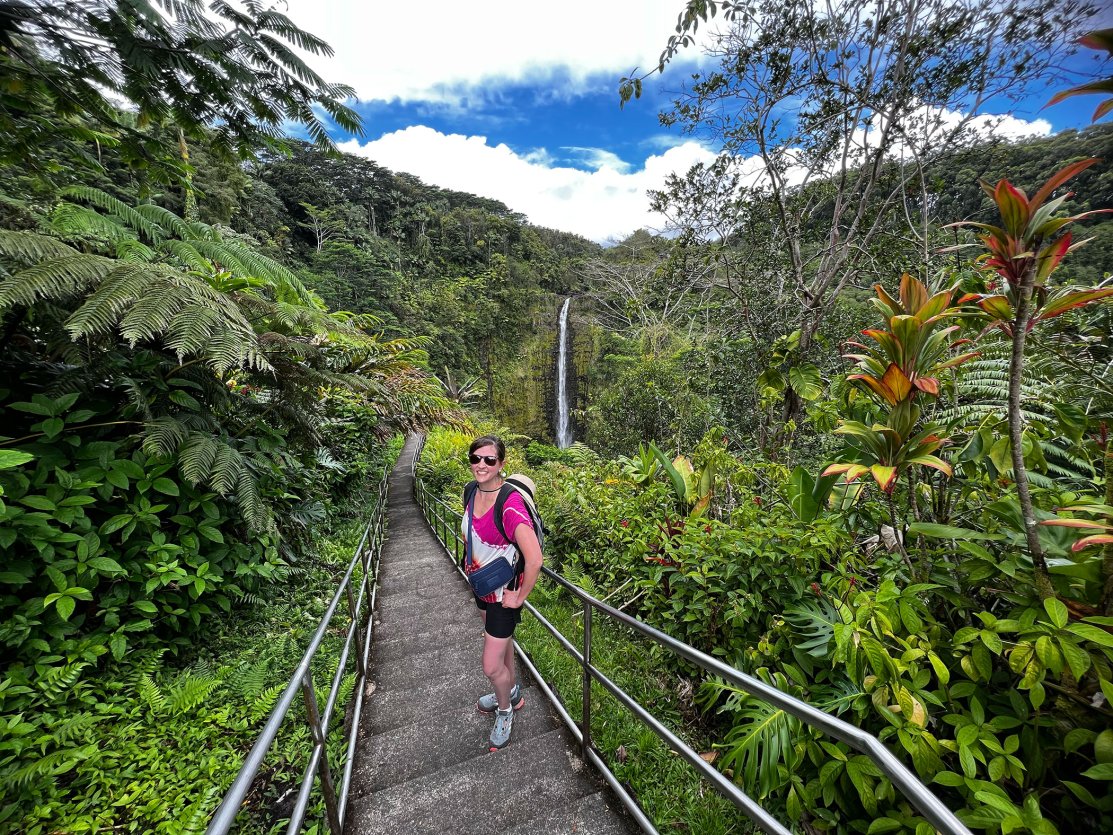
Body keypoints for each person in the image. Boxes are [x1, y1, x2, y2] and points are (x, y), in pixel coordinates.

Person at [462, 435, 543, 750]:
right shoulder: (470, 491)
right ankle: (509, 692)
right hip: (482, 585)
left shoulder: (509, 505)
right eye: (476, 458)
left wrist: (519, 597)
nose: (481, 465)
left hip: (504, 596)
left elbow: (535, 558)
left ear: (501, 465)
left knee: (491, 666)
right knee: (503, 646)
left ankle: (506, 710)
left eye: (489, 460)